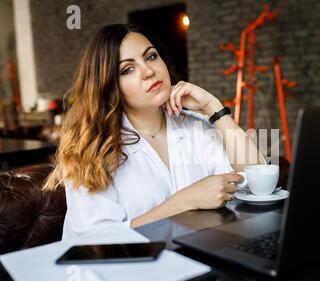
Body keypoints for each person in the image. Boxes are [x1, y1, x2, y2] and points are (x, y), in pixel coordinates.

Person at [43, 24, 265, 240]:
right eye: (127, 69)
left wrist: (214, 108)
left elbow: (259, 184)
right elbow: (96, 242)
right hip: (129, 273)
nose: (149, 71)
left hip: (199, 260)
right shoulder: (91, 147)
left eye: (150, 57)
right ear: (110, 86)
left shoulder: (194, 126)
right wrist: (183, 202)